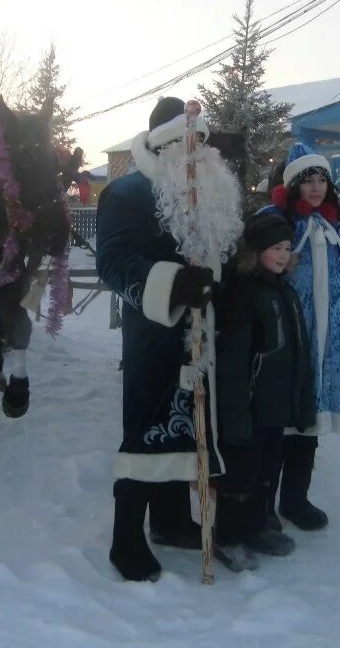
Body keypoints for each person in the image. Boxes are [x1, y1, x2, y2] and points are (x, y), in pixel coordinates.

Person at [95, 96, 244, 582]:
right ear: (167, 143)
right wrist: (176, 286)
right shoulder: (129, 192)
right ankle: (126, 539)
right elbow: (114, 263)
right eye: (188, 140)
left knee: (193, 426)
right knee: (149, 425)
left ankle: (172, 519)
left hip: (205, 335)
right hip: (155, 334)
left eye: (202, 140)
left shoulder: (209, 192)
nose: (197, 149)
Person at [260, 142, 340, 530]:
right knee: (278, 424)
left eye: (321, 178)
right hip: (286, 340)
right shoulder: (275, 220)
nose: (315, 187)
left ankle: (295, 499)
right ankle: (263, 505)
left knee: (309, 423)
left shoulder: (337, 223)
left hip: (328, 343)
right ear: (292, 184)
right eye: (306, 180)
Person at [213, 213, 315, 571]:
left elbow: (298, 350)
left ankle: (256, 528)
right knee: (240, 475)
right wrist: (236, 416)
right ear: (255, 250)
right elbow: (234, 361)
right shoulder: (244, 293)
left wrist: (301, 400)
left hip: (276, 406)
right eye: (275, 248)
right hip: (250, 407)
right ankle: (227, 536)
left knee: (266, 473)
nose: (284, 255)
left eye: (287, 248)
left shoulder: (283, 288)